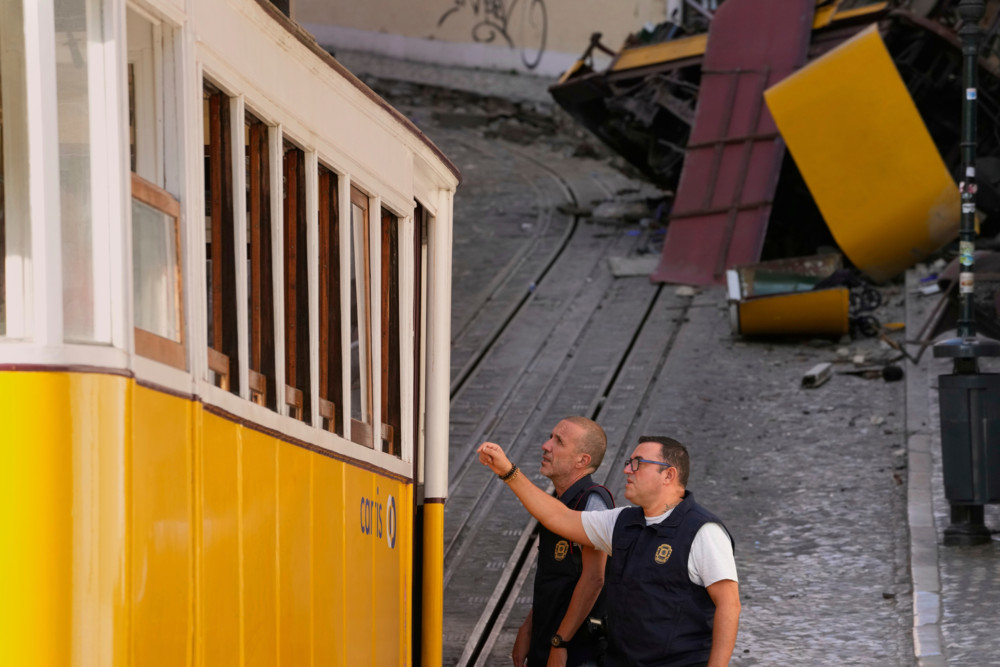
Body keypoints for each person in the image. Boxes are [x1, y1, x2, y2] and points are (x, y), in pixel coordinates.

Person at [481, 435, 740, 667]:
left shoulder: (703, 531)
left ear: (668, 475)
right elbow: (558, 517)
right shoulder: (622, 522)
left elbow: (729, 605)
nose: (627, 469)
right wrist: (508, 472)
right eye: (628, 462)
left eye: (638, 463)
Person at [513, 417, 614, 667]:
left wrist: (560, 643)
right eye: (550, 437)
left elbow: (594, 578)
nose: (546, 446)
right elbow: (559, 580)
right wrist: (529, 628)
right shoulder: (558, 503)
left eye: (558, 441)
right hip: (547, 641)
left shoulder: (593, 502)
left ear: (582, 460)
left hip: (576, 652)